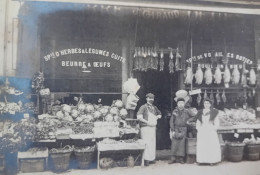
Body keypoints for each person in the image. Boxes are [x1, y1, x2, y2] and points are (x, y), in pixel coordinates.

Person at [168, 97, 197, 164]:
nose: (181, 104)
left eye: (182, 103)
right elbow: (171, 121)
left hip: (184, 129)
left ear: (184, 104)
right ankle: (173, 158)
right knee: (174, 143)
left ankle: (181, 159)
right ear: (177, 104)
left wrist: (189, 120)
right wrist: (172, 130)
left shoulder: (187, 111)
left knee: (182, 144)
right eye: (179, 103)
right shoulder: (175, 111)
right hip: (176, 129)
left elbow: (195, 116)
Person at [137, 93, 162, 166]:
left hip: (152, 127)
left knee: (152, 143)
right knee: (146, 143)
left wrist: (157, 117)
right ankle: (145, 160)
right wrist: (147, 122)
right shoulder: (143, 107)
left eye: (152, 98)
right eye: (150, 98)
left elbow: (160, 114)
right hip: (145, 127)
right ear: (146, 98)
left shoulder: (154, 107)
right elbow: (139, 117)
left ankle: (151, 158)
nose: (151, 100)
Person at [195, 97, 221, 165]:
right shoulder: (200, 112)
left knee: (211, 145)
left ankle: (212, 161)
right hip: (202, 129)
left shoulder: (214, 112)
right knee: (202, 145)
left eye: (208, 103)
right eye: (205, 103)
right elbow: (198, 122)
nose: (206, 104)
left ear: (210, 104)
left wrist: (214, 128)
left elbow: (216, 122)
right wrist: (198, 128)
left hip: (210, 130)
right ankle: (201, 160)